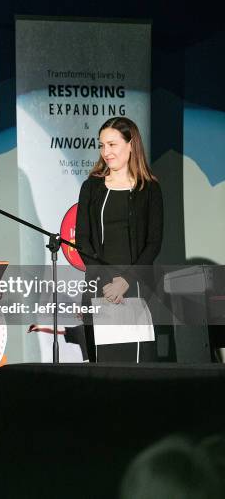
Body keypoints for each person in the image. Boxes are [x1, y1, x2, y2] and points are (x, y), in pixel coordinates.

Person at [75, 117, 163, 362]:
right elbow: (82, 239)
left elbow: (153, 243)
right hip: (100, 287)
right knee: (104, 369)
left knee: (137, 372)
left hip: (137, 289)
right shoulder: (91, 187)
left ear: (131, 144)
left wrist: (126, 280)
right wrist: (105, 282)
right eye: (102, 145)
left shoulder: (150, 189)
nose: (106, 152)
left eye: (112, 145)